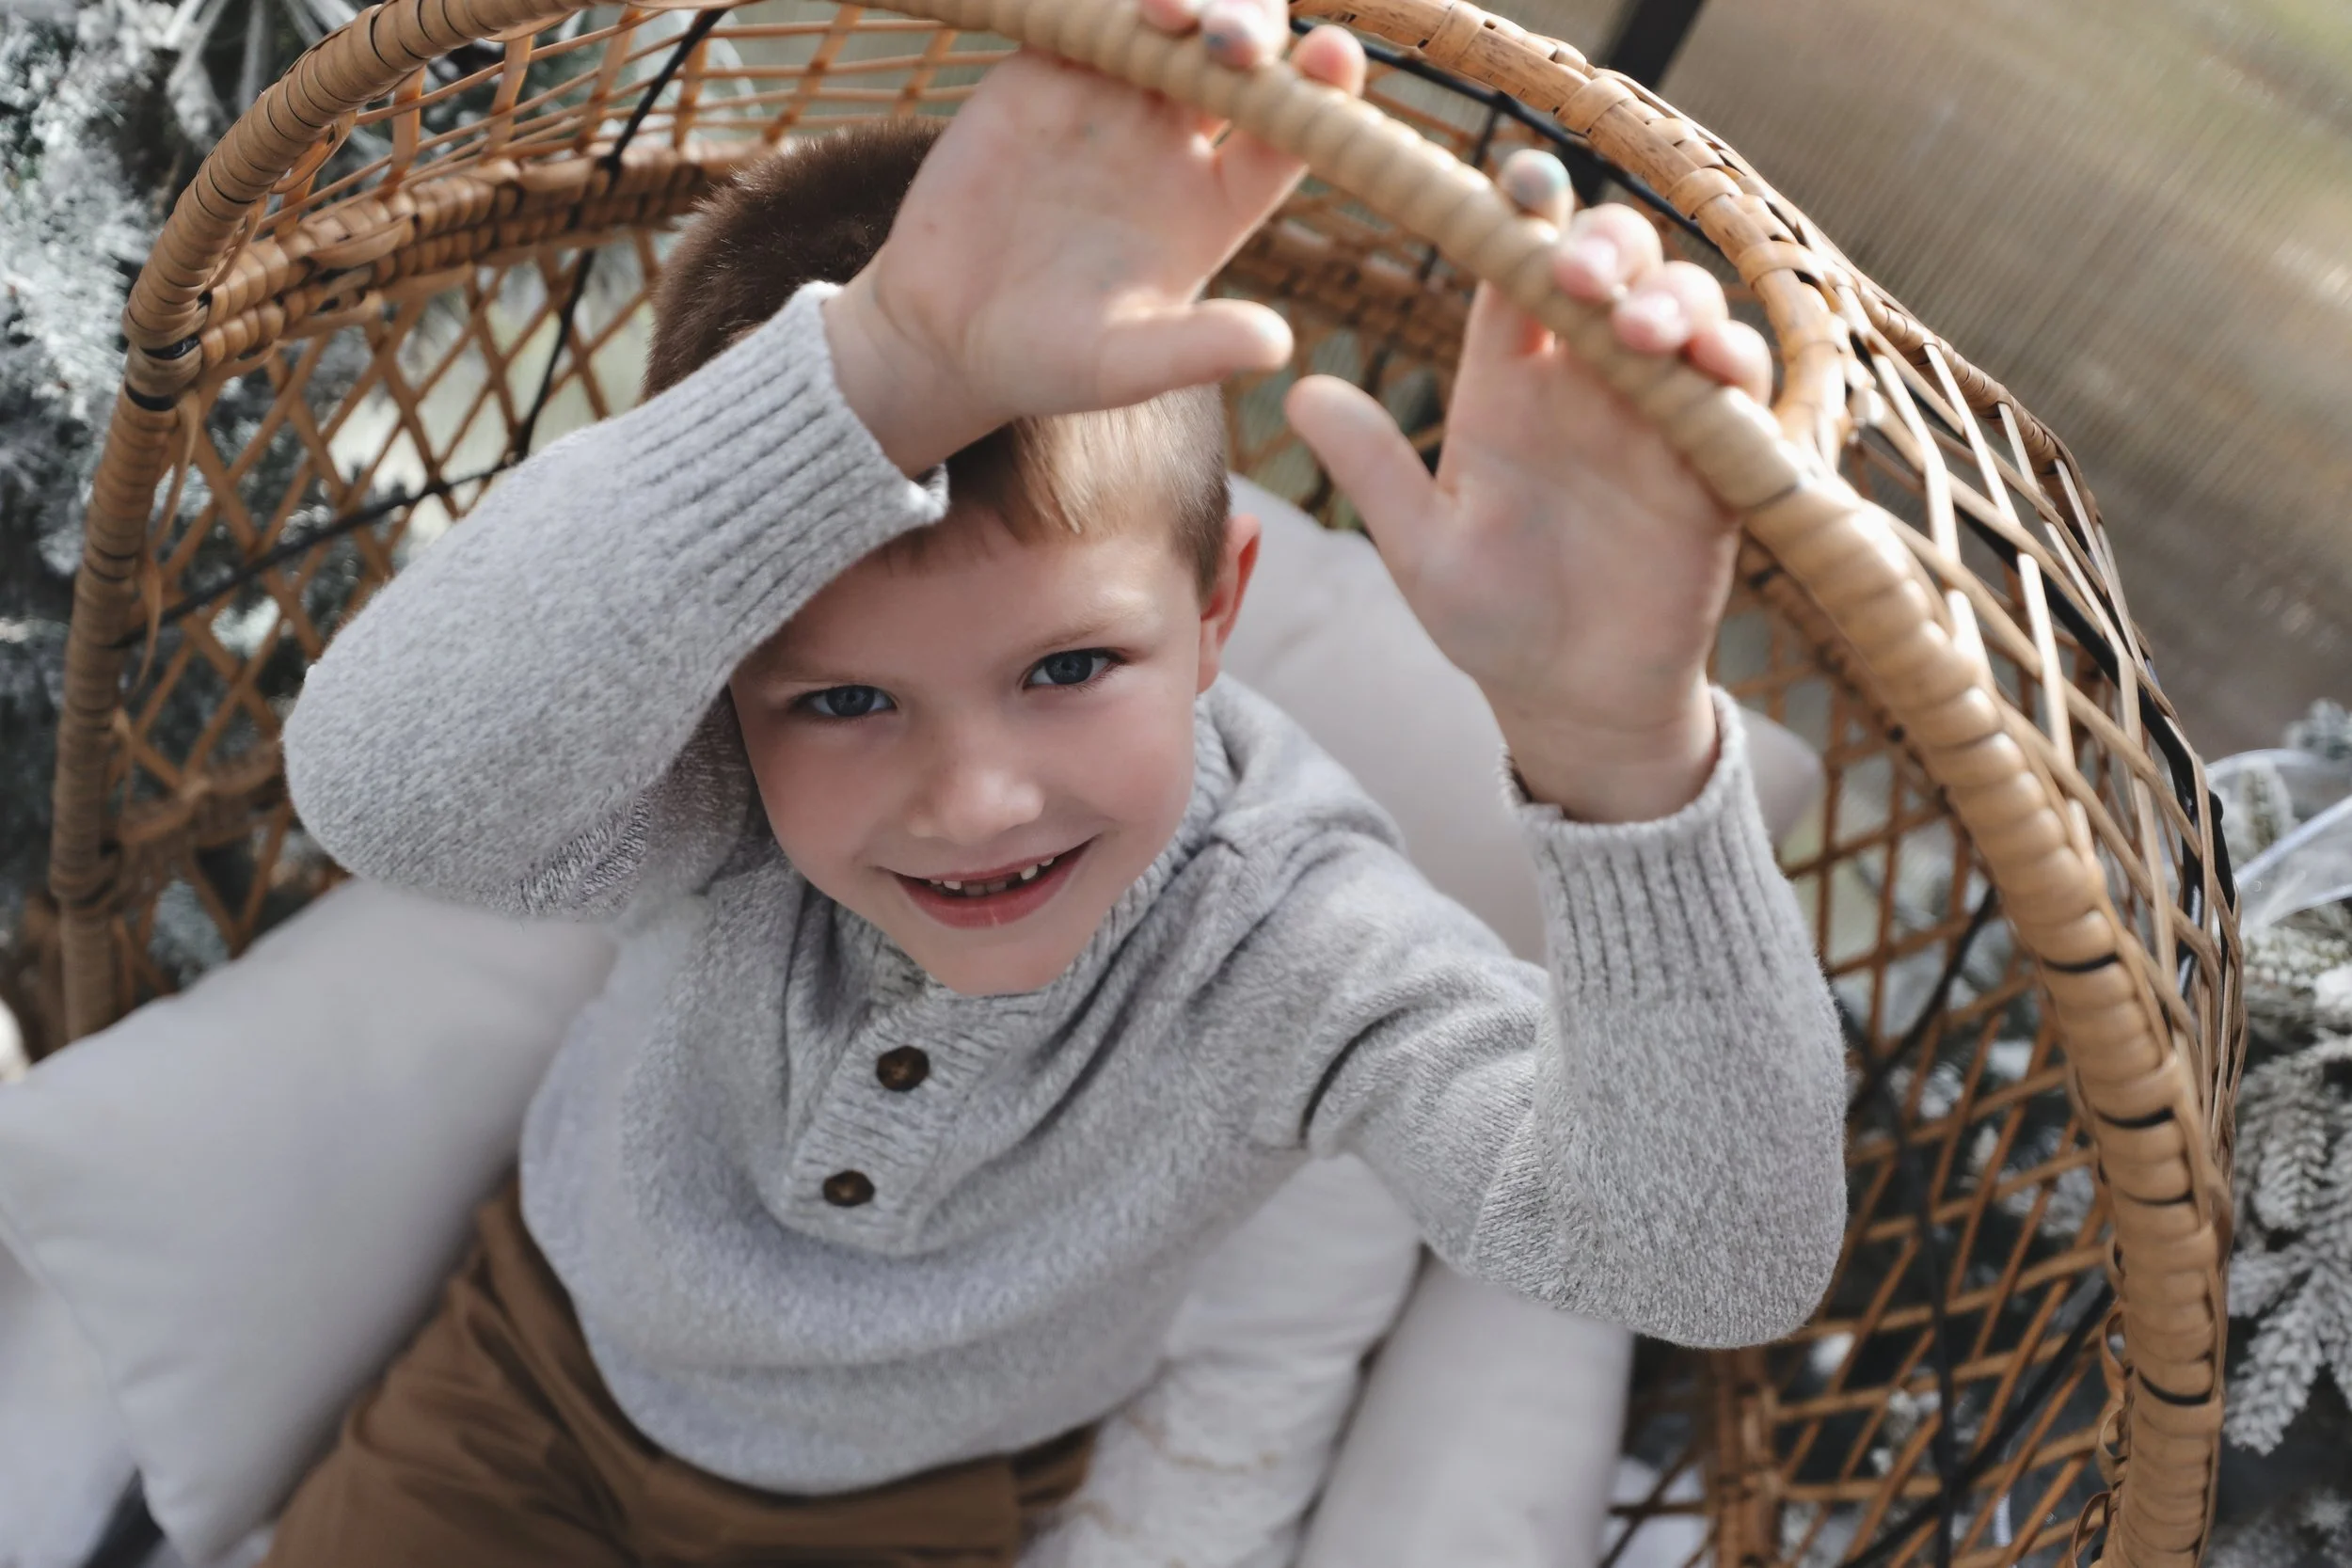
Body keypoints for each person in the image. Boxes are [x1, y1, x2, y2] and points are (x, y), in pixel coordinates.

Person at [270, 0, 1847, 1560]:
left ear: (1220, 606)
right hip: (534, 1373)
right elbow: (381, 791)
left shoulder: (1289, 938)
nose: (974, 801)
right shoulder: (714, 796)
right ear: (728, 679)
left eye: (1069, 669)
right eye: (843, 699)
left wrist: (1621, 751)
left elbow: (1704, 1261)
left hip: (911, 1506)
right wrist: (880, 369)